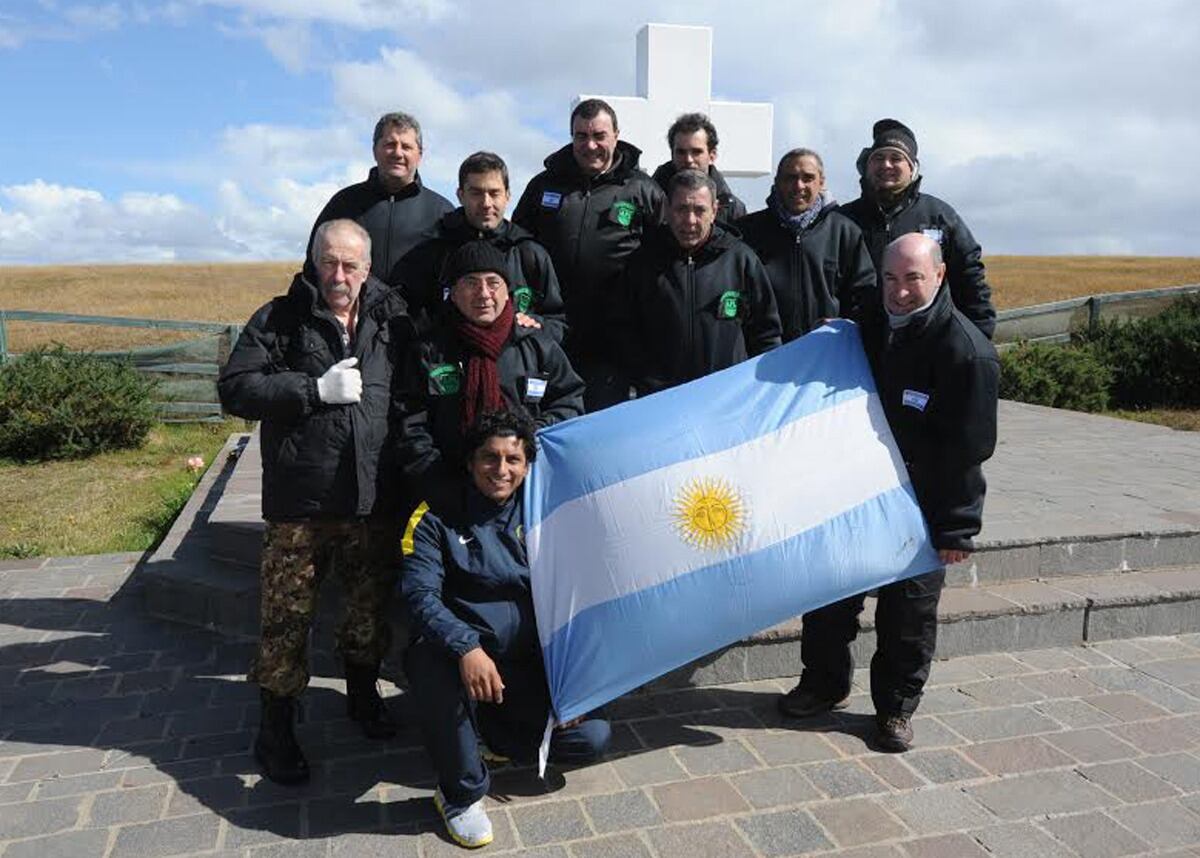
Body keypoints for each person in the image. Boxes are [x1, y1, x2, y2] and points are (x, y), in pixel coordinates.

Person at [779, 233, 999, 752]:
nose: (900, 292)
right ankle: (823, 684)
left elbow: (968, 451)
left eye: (913, 278)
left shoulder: (968, 354)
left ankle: (896, 708)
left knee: (907, 617)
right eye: (891, 279)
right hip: (857, 493)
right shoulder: (869, 328)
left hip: (922, 506)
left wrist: (957, 529)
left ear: (940, 276)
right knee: (830, 600)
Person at [218, 219, 412, 784]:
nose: (338, 275)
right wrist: (312, 390)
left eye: (350, 265)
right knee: (286, 621)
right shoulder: (280, 318)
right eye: (329, 262)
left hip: (371, 500)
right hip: (301, 503)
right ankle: (275, 729)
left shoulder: (392, 320)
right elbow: (235, 388)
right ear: (313, 261)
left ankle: (363, 698)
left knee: (367, 612)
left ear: (367, 268)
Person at [402, 410, 612, 848]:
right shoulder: (434, 516)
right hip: (465, 661)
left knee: (592, 737)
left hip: (525, 666)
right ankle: (459, 793)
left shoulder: (544, 512)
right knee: (426, 657)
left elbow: (576, 595)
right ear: (470, 462)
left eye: (513, 459)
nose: (501, 470)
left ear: (527, 465)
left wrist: (573, 686)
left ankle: (490, 737)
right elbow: (419, 596)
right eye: (489, 457)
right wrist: (467, 647)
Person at [393, 240, 584, 508]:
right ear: (453, 293)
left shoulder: (536, 345)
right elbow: (410, 422)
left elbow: (570, 402)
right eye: (471, 283)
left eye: (493, 283)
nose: (483, 293)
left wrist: (531, 436)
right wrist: (437, 481)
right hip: (450, 491)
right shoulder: (429, 351)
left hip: (529, 491)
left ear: (507, 292)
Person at [512, 98, 664, 411]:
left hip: (615, 340)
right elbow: (516, 248)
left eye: (599, 136)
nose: (590, 145)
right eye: (581, 136)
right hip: (551, 332)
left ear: (616, 136)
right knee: (550, 418)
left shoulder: (642, 190)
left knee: (603, 423)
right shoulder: (543, 186)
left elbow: (665, 259)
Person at [616, 169, 781, 396]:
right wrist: (645, 379)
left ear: (714, 211)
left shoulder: (741, 260)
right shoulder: (643, 262)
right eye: (681, 209)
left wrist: (759, 389)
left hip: (727, 396)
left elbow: (766, 333)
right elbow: (624, 331)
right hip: (660, 400)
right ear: (668, 210)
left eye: (699, 210)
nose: (690, 220)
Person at [839, 118, 996, 338]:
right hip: (857, 344)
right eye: (878, 158)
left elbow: (970, 278)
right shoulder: (842, 221)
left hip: (929, 344)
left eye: (896, 158)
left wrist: (979, 337)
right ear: (866, 166)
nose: (886, 165)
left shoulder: (941, 216)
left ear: (912, 168)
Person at [401, 151, 566, 342]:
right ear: (460, 195)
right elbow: (410, 316)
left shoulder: (528, 253)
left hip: (513, 358)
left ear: (507, 196)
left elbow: (557, 322)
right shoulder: (433, 249)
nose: (486, 203)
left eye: (494, 193)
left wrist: (537, 325)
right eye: (476, 193)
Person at [737, 148, 877, 341]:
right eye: (790, 178)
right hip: (765, 350)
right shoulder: (747, 231)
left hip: (825, 349)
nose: (798, 185)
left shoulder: (844, 231)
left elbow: (863, 294)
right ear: (777, 182)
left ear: (821, 182)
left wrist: (845, 326)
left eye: (808, 178)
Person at [306, 111, 453, 288]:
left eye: (406, 147)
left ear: (419, 155)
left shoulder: (441, 211)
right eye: (390, 145)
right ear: (375, 150)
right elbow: (313, 265)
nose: (397, 153)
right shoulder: (343, 204)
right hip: (354, 306)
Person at [650, 112, 746, 223]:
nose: (688, 160)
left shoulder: (731, 209)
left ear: (712, 155)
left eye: (696, 152)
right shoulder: (649, 200)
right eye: (681, 152)